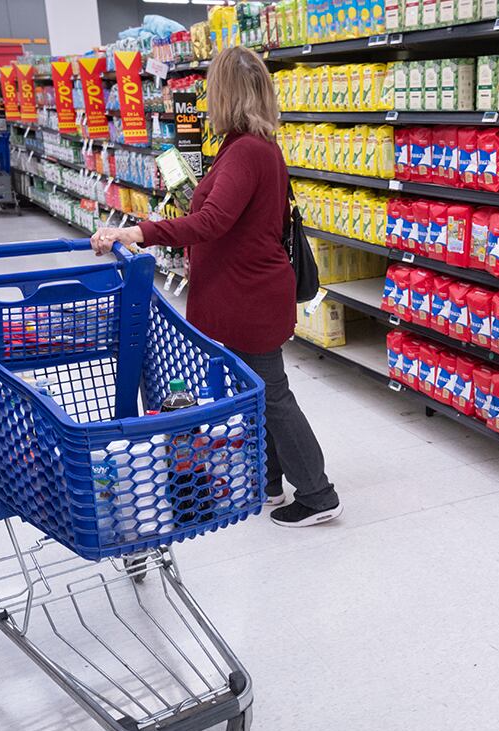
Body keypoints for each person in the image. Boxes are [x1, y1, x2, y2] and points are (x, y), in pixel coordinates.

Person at [91, 46, 341, 529]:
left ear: (223, 94)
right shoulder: (251, 145)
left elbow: (211, 222)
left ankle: (317, 493)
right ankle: (270, 479)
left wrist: (137, 231)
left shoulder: (245, 150)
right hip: (249, 288)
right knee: (257, 389)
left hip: (249, 295)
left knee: (271, 393)